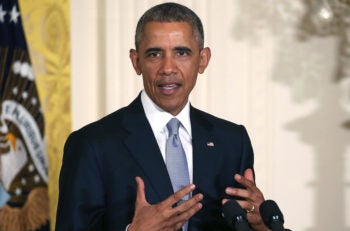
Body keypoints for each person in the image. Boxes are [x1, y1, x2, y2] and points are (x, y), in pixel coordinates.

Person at [56, 2, 268, 231]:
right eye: (155, 54)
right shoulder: (91, 144)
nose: (168, 68)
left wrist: (262, 226)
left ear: (203, 59)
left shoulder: (232, 141)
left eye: (182, 52)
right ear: (136, 61)